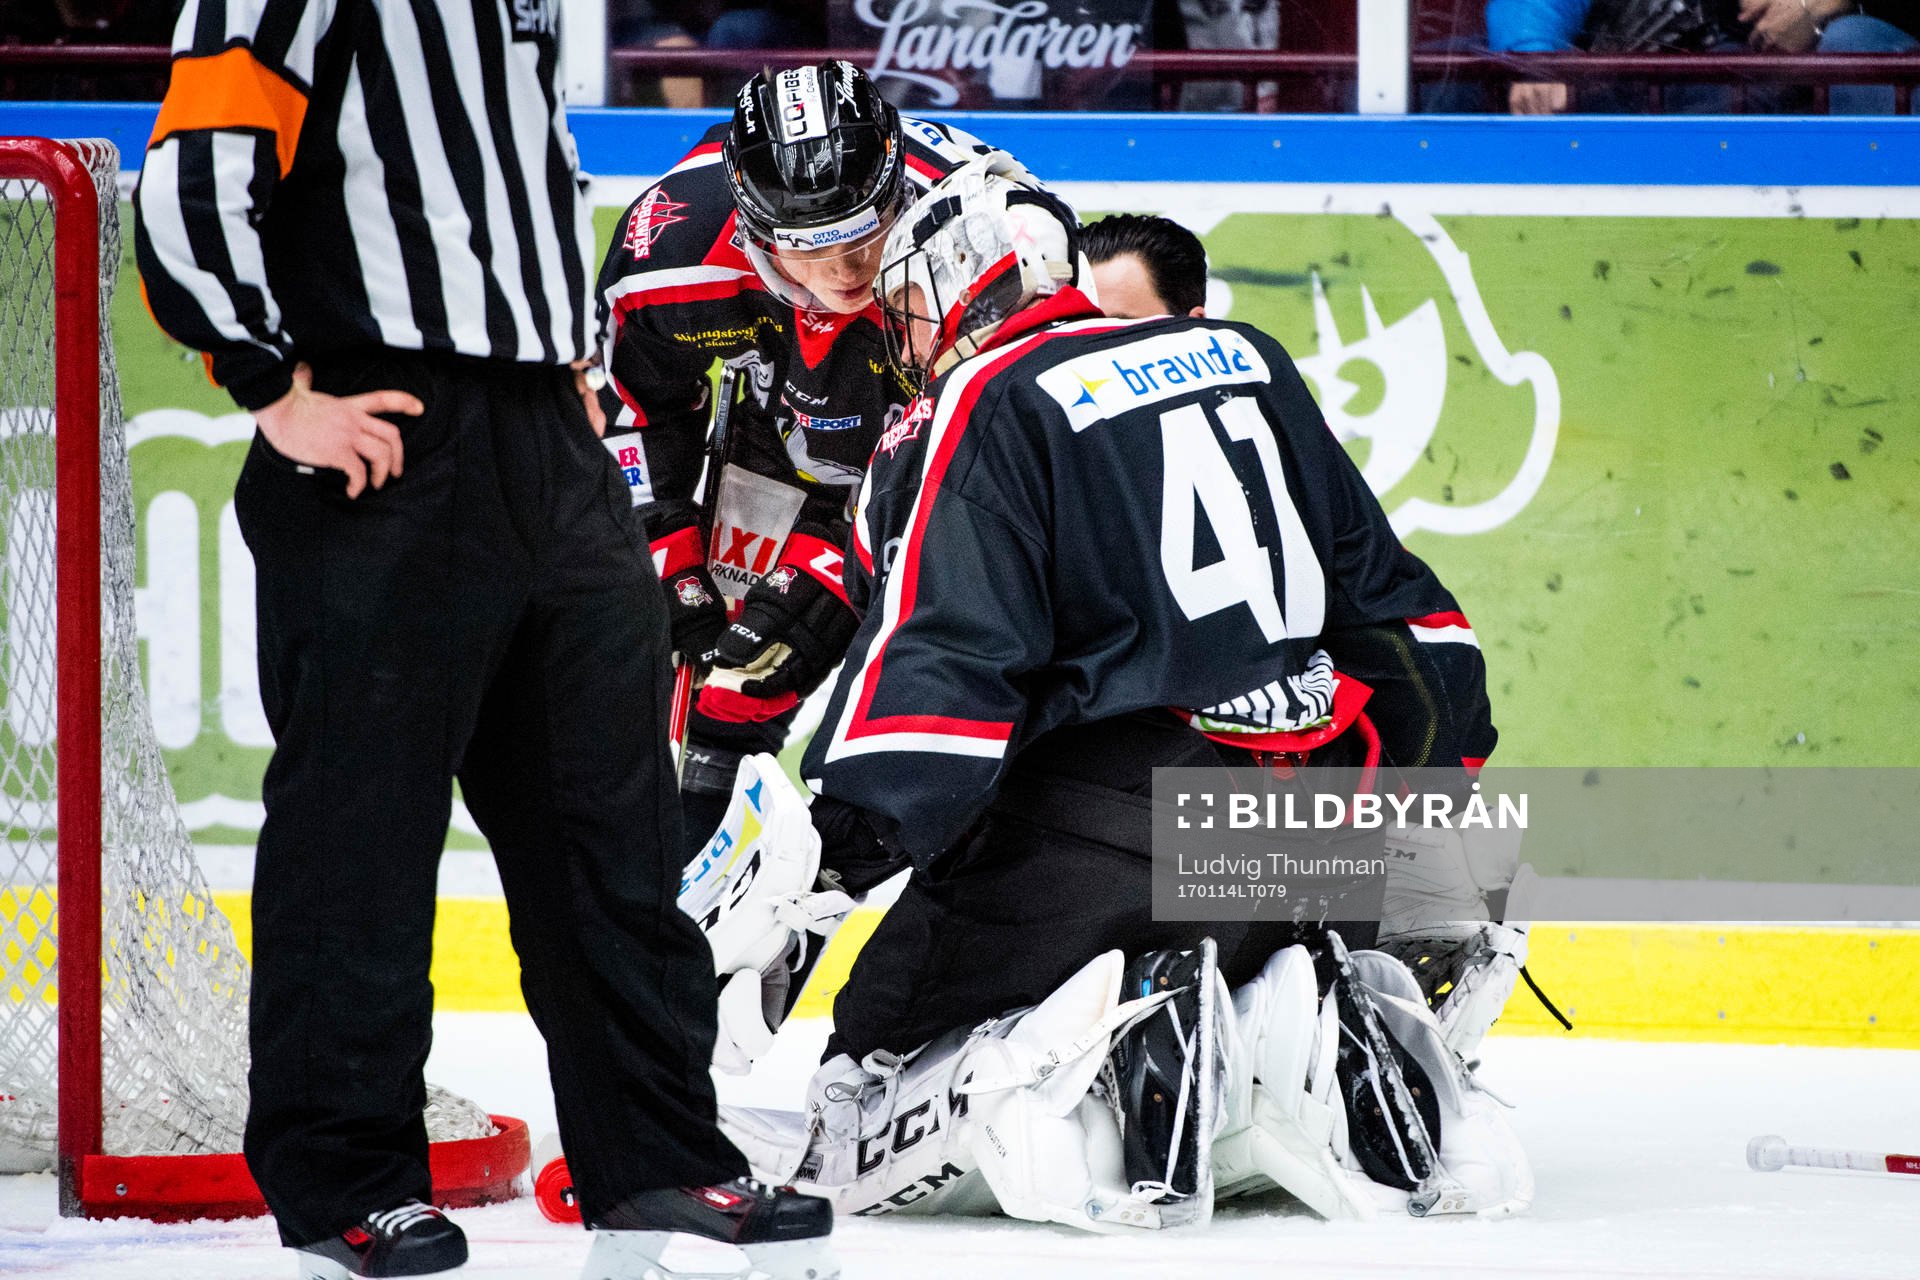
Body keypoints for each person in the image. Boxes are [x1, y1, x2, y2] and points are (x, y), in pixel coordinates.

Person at [133, 5, 829, 1279]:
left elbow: (525, 175)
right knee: (361, 833)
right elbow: (197, 169)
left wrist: (570, 368)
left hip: (546, 431)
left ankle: (656, 1153)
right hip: (388, 420)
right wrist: (267, 384)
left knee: (612, 824)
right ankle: (348, 1182)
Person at [712, 156, 1529, 1232]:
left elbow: (946, 681)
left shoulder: (978, 401)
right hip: (1320, 833)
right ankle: (1299, 1021)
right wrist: (1424, 814)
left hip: (1120, 840)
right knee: (1274, 920)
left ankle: (1107, 1042)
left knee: (867, 1067)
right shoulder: (1246, 354)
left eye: (906, 303)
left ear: (963, 278)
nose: (901, 336)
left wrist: (833, 858)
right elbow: (1402, 618)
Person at [1083, 213, 1530, 1054]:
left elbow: (1400, 627)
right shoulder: (1060, 452)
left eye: (1124, 328)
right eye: (1082, 325)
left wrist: (1433, 822)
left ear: (1196, 328)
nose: (1096, 353)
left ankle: (1423, 940)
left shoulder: (1260, 451)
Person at [595, 62, 997, 878]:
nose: (846, 273)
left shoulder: (982, 237)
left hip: (936, 451)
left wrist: (839, 563)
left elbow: (1001, 455)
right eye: (813, 249)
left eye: (864, 238)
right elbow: (625, 410)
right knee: (732, 681)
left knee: (954, 707)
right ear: (750, 225)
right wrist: (663, 546)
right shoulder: (672, 247)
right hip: (779, 431)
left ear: (901, 196)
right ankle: (694, 928)